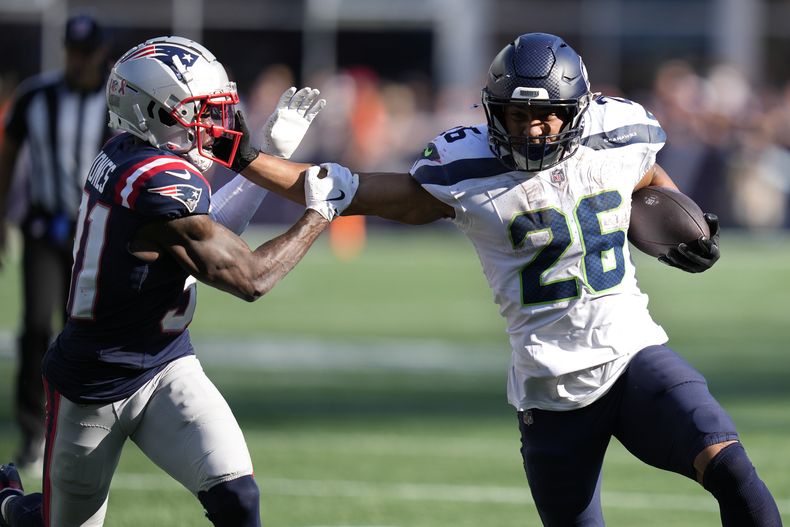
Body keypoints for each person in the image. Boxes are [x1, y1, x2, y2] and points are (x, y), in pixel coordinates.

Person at [235, 33, 783, 526]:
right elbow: (342, 190)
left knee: (731, 469)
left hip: (633, 353)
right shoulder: (464, 169)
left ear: (579, 111)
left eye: (546, 116)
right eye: (516, 116)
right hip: (549, 390)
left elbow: (643, 174)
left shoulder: (617, 133)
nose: (531, 129)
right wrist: (240, 155)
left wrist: (678, 219)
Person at [0, 35, 356, 527]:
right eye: (198, 112)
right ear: (151, 112)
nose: (213, 125)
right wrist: (321, 212)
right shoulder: (154, 181)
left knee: (238, 499)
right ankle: (8, 504)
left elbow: (207, 234)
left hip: (166, 366)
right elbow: (251, 277)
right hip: (94, 384)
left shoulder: (133, 150)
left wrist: (267, 154)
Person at [0, 14, 113, 474]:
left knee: (84, 329)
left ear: (101, 55)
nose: (78, 62)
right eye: (72, 51)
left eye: (87, 54)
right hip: (44, 228)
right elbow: (7, 152)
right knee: (34, 328)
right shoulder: (36, 96)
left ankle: (88, 426)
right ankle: (33, 431)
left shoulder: (116, 102)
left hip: (96, 233)